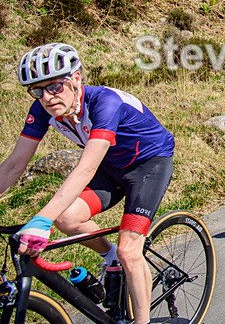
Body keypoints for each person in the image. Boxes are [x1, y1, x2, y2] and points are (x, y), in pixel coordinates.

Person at [1, 43, 174, 324]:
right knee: (68, 219)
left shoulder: (105, 102)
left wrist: (42, 219)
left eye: (55, 86)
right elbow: (13, 165)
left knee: (132, 250)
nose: (47, 97)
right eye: (37, 90)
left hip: (148, 164)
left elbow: (86, 167)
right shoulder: (43, 108)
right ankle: (110, 257)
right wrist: (51, 218)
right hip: (112, 166)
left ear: (77, 79)